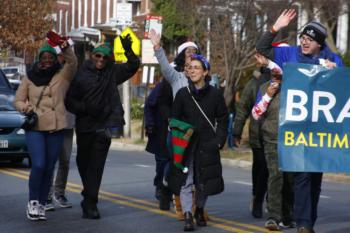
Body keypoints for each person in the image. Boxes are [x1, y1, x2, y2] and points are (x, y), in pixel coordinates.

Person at [256, 9, 343, 233]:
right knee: (302, 174)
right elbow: (262, 50)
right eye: (303, 38)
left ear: (320, 44)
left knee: (315, 178)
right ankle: (303, 223)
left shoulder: (332, 59)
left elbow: (343, 88)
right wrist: (275, 28)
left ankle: (308, 221)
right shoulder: (289, 55)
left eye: (310, 40)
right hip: (295, 128)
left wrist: (335, 72)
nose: (304, 42)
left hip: (321, 130)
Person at [65, 35, 140, 219]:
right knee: (83, 163)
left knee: (96, 167)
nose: (101, 60)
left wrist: (129, 50)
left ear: (109, 59)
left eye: (105, 58)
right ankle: (88, 193)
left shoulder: (112, 72)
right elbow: (69, 101)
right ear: (92, 56)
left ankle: (91, 203)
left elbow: (132, 66)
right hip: (85, 126)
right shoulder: (81, 75)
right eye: (98, 56)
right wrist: (84, 108)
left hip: (103, 127)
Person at [14, 40, 77, 221]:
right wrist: (25, 107)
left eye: (50, 57)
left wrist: (65, 47)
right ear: (39, 59)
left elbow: (72, 62)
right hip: (36, 127)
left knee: (49, 168)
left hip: (56, 128)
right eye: (44, 57)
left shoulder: (63, 75)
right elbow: (17, 100)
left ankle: (42, 203)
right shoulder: (29, 77)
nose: (47, 60)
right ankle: (33, 202)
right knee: (39, 165)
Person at [170, 54, 228, 231]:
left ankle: (200, 209)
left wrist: (218, 141)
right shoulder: (182, 94)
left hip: (207, 145)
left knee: (203, 181)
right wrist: (180, 136)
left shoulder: (216, 95)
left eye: (196, 67)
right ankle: (188, 214)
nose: (192, 70)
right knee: (186, 180)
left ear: (205, 72)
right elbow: (174, 119)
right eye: (190, 68)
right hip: (186, 146)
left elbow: (223, 119)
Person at [149, 28, 200, 217]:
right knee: (177, 166)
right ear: (182, 58)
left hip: (198, 133)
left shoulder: (205, 80)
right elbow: (164, 66)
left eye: (195, 52)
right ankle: (166, 189)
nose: (192, 55)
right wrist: (157, 47)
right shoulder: (176, 77)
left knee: (194, 169)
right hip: (178, 132)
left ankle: (192, 207)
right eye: (188, 52)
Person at [233, 60, 270, 218]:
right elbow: (243, 107)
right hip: (258, 133)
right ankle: (257, 197)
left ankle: (270, 199)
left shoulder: (289, 81)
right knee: (261, 166)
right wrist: (237, 131)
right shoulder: (255, 83)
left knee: (272, 169)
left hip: (279, 135)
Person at [144, 79, 173, 208]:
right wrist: (150, 123)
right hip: (161, 130)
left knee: (175, 162)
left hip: (178, 129)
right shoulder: (162, 87)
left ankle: (172, 189)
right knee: (162, 161)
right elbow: (149, 105)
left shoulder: (186, 85)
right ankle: (160, 187)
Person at [45, 111, 75, 210]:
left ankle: (59, 194)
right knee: (51, 161)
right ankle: (47, 196)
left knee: (65, 161)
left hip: (67, 124)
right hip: (51, 124)